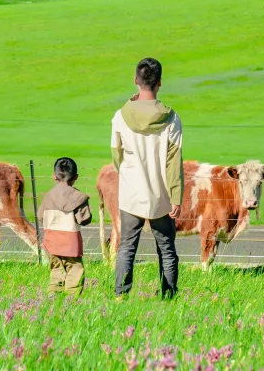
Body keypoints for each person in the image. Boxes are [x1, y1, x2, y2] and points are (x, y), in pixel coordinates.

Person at [110, 57, 183, 299]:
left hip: (131, 193)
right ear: (159, 82)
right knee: (167, 249)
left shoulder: (120, 116)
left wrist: (129, 175)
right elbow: (173, 162)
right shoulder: (172, 119)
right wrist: (176, 196)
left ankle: (121, 297)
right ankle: (169, 297)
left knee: (126, 248)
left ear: (135, 80)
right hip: (161, 193)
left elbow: (116, 156)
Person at [39, 157, 92, 295]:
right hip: (70, 241)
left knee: (56, 268)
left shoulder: (48, 196)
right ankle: (72, 297)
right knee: (75, 268)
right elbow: (84, 219)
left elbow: (40, 216)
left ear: (54, 176)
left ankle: (53, 293)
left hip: (51, 240)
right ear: (76, 177)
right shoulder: (79, 197)